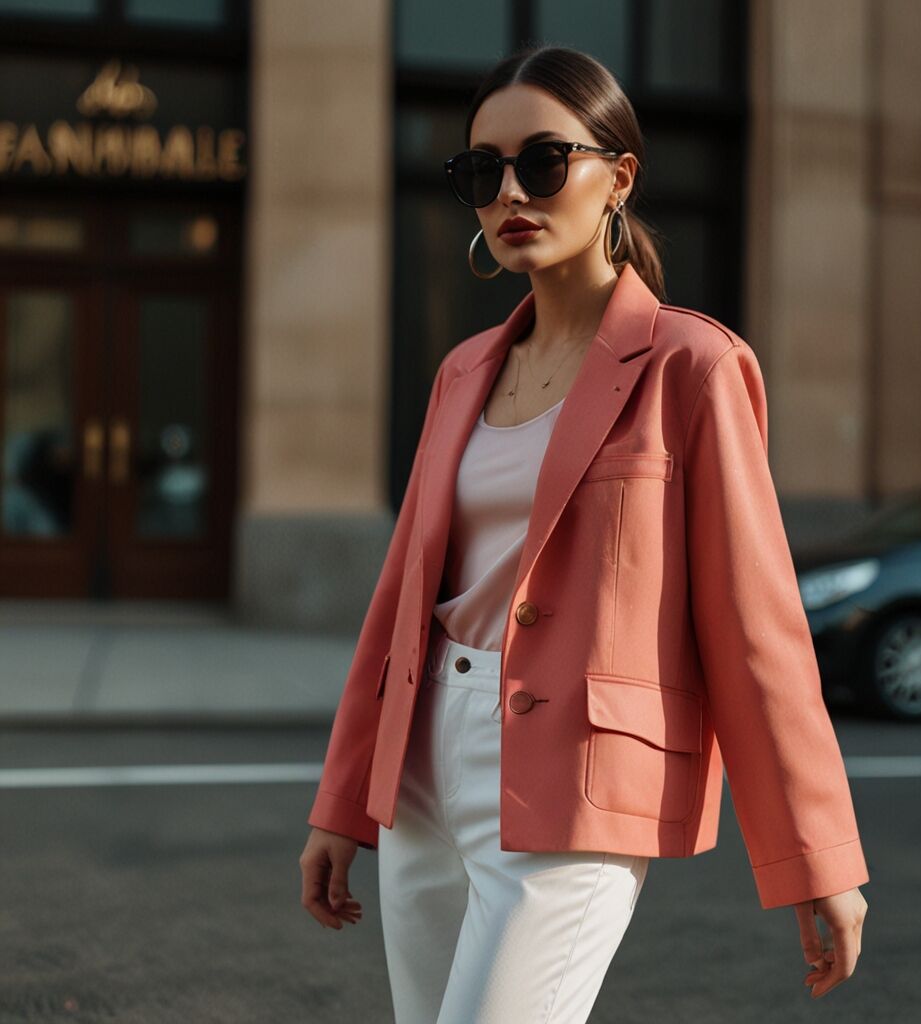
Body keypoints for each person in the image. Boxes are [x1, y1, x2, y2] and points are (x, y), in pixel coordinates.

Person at [300, 44, 869, 1022]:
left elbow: (754, 626)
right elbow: (401, 600)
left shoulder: (692, 365)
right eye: (482, 170)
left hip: (576, 784)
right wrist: (343, 799)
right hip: (427, 763)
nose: (510, 191)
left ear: (620, 174)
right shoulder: (463, 370)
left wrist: (816, 856)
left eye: (543, 161)